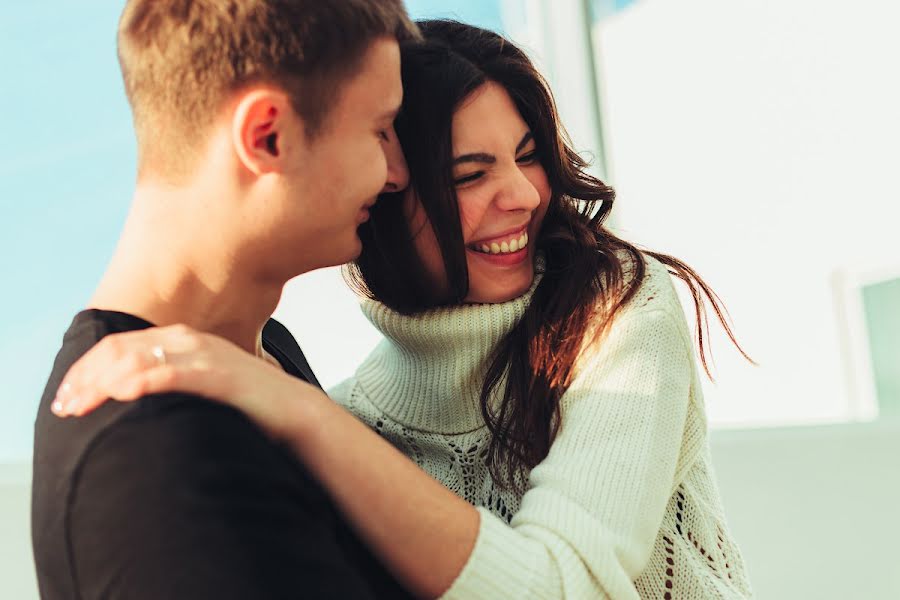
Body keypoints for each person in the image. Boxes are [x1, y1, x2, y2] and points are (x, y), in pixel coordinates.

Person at [53, 20, 755, 600]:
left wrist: (298, 409)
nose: (526, 195)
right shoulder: (263, 419)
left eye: (528, 155)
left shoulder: (610, 309)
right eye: (468, 173)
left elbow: (568, 584)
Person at [31, 1, 421, 599]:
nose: (396, 172)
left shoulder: (266, 355)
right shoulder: (148, 456)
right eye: (378, 130)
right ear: (267, 135)